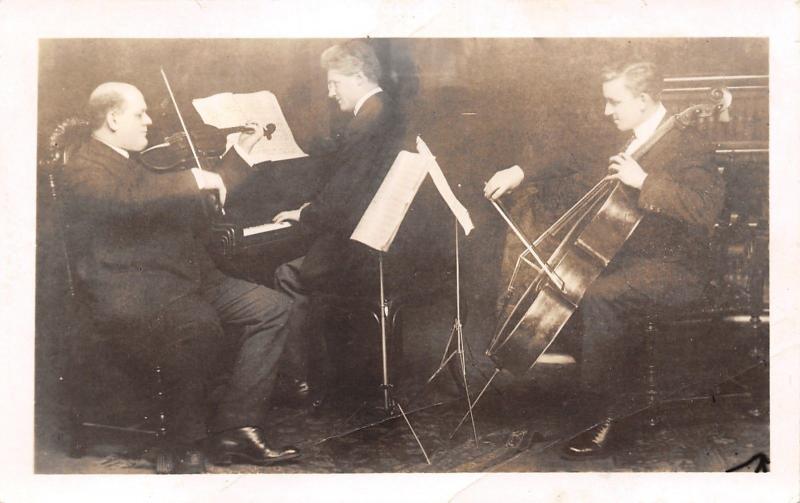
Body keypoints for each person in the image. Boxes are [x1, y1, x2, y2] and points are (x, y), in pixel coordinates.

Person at [484, 61, 725, 458]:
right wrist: (519, 171)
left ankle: (603, 416)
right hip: (631, 260)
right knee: (567, 283)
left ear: (645, 100)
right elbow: (573, 157)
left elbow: (705, 208)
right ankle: (613, 393)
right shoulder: (627, 137)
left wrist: (644, 181)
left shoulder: (688, 143)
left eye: (615, 102)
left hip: (678, 268)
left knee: (600, 296)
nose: (606, 111)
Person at [61, 82, 300, 473]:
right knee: (198, 325)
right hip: (134, 289)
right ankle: (185, 443)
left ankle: (237, 427)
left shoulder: (139, 161)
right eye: (140, 113)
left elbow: (200, 195)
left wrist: (240, 155)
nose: (149, 121)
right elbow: (125, 200)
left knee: (272, 308)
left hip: (186, 277)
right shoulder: (83, 167)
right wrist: (194, 178)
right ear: (113, 117)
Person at [272, 40, 408, 404]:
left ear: (360, 77)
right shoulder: (388, 110)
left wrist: (303, 212)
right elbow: (348, 182)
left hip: (361, 247)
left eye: (335, 83)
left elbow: (343, 199)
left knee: (288, 274)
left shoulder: (367, 120)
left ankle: (302, 381)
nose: (330, 93)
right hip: (387, 237)